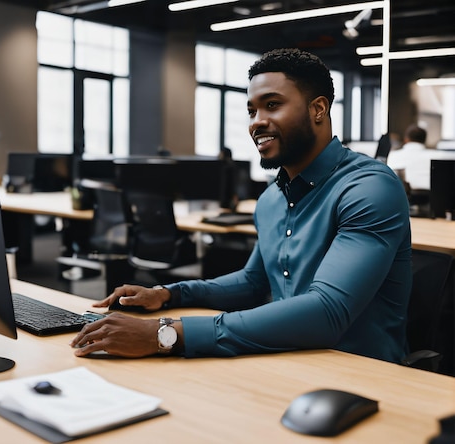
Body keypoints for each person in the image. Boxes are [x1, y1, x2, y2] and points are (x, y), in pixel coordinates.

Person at [70, 48, 412, 364]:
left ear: (318, 109)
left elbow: (327, 311)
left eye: (272, 105)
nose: (256, 121)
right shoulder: (272, 198)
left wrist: (167, 331)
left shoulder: (368, 186)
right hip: (287, 357)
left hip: (361, 373)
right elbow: (253, 282)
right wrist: (166, 294)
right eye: (251, 110)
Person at [387, 124, 431, 191]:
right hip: (431, 198)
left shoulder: (392, 156)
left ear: (406, 139)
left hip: (403, 197)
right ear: (425, 140)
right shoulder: (437, 157)